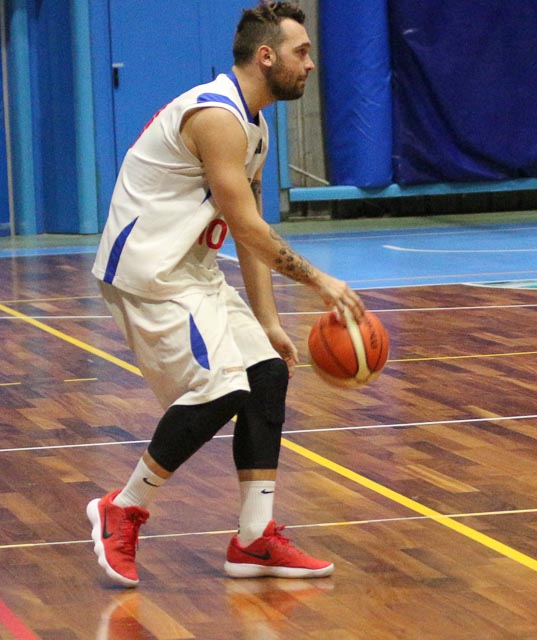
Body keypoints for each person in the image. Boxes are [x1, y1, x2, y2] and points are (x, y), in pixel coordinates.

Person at [86, 2, 364, 587]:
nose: (310, 64)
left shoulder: (255, 126)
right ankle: (123, 508)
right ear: (265, 57)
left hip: (192, 269)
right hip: (149, 273)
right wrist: (321, 281)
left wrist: (268, 321)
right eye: (301, 52)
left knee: (266, 373)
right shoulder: (217, 117)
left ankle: (254, 538)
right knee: (218, 388)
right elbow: (247, 226)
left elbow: (249, 230)